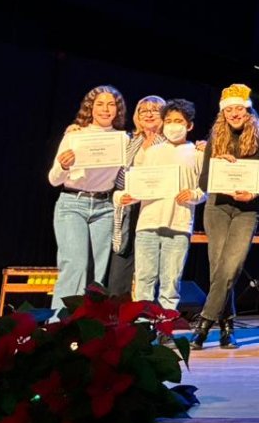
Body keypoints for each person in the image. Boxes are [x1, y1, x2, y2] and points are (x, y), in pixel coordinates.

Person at [192, 84, 259, 350]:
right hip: (217, 206)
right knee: (219, 269)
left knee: (230, 267)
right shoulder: (216, 138)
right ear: (222, 113)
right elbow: (205, 180)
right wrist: (220, 170)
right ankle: (227, 327)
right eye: (229, 110)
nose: (235, 114)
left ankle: (203, 324)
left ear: (248, 110)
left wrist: (253, 192)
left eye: (239, 108)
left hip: (247, 209)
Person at [121, 98, 204, 342]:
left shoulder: (197, 153)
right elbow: (137, 182)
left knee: (171, 280)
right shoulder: (150, 152)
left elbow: (206, 187)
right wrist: (130, 196)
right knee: (145, 278)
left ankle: (166, 327)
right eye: (168, 121)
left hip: (179, 224)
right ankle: (143, 329)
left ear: (189, 125)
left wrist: (195, 195)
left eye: (178, 121)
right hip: (147, 223)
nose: (173, 126)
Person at [48, 86, 127, 311]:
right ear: (90, 108)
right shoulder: (75, 135)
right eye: (100, 104)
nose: (105, 109)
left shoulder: (122, 139)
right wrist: (64, 165)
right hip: (73, 204)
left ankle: (91, 327)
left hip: (105, 206)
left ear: (118, 110)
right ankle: (59, 325)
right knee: (75, 265)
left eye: (111, 104)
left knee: (99, 271)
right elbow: (54, 179)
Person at [109, 95, 166, 298]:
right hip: (129, 210)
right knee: (120, 269)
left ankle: (148, 321)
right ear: (137, 116)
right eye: (143, 110)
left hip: (155, 211)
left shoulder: (171, 142)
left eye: (155, 109)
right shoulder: (130, 141)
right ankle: (117, 320)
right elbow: (118, 176)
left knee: (150, 270)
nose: (149, 114)